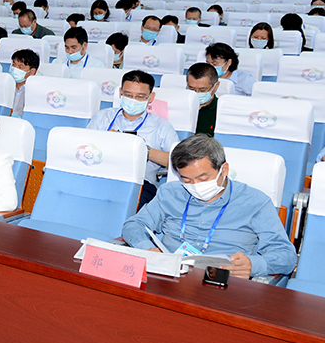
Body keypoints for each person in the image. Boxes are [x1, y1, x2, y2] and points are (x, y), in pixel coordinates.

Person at [122, 134, 296, 279]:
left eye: (203, 178)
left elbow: (286, 256)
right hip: (167, 276)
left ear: (224, 170)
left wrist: (253, 265)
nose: (195, 185)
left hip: (221, 283)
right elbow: (134, 225)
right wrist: (147, 249)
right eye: (187, 180)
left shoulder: (255, 202)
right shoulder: (170, 193)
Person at [88, 70, 177, 206]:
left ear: (151, 97)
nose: (133, 100)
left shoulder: (162, 126)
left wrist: (142, 149)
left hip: (140, 183)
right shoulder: (101, 117)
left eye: (140, 96)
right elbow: (85, 146)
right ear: (120, 92)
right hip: (101, 176)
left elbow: (177, 161)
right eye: (128, 95)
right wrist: (107, 141)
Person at [186, 62, 219, 137]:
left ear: (216, 86)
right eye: (192, 89)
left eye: (202, 90)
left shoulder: (221, 110)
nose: (197, 93)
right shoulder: (179, 105)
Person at [9, 48, 39, 116]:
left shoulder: (34, 92)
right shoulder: (6, 85)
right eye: (14, 65)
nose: (15, 69)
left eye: (20, 67)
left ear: (32, 72)